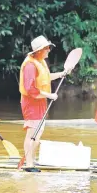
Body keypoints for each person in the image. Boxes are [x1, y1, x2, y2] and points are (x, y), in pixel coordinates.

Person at [19, 35, 68, 172]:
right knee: (32, 133)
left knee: (38, 133)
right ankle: (29, 165)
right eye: (46, 48)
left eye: (48, 48)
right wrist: (50, 95)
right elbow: (30, 89)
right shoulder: (30, 65)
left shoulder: (41, 62)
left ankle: (32, 160)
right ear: (39, 50)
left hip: (40, 101)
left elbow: (46, 77)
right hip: (31, 102)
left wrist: (60, 74)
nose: (48, 50)